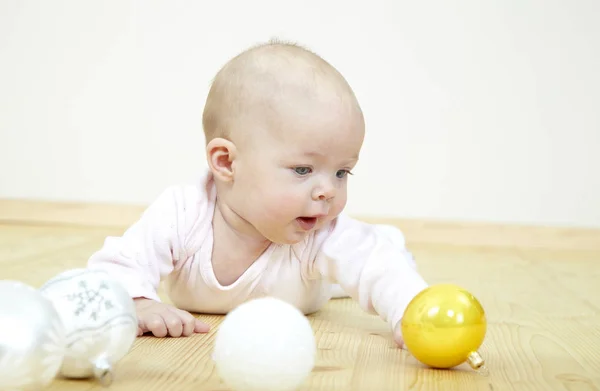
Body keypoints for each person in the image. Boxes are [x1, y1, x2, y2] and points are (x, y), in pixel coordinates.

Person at [86, 40, 428, 347]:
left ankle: (390, 242)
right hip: (297, 279)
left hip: (313, 281)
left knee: (367, 262)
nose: (327, 191)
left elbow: (374, 264)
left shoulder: (319, 231)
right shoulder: (182, 213)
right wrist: (137, 301)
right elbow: (118, 264)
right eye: (303, 170)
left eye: (342, 172)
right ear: (226, 162)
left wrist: (412, 310)